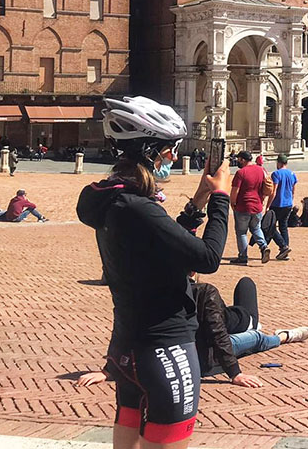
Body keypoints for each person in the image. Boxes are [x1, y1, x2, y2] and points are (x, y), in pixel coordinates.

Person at [77, 94, 231, 449]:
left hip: (129, 346)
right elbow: (206, 258)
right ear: (148, 151)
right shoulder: (139, 208)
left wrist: (199, 201)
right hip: (166, 347)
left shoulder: (116, 200)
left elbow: (164, 243)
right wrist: (223, 197)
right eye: (168, 150)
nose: (174, 158)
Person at [76, 276, 308, 391]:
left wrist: (234, 374)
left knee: (248, 316)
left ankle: (276, 334)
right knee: (255, 335)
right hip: (213, 345)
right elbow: (125, 329)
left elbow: (219, 334)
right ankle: (282, 336)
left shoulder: (202, 292)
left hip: (230, 323)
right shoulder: (149, 295)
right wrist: (108, 370)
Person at [230, 150, 271, 265]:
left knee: (242, 232)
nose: (237, 161)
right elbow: (267, 185)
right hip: (257, 205)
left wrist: (232, 203)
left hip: (243, 206)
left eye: (238, 159)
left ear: (242, 159)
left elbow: (235, 191)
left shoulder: (240, 173)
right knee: (256, 228)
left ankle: (243, 256)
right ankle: (263, 246)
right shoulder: (261, 169)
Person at [265, 156, 297, 260]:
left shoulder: (276, 174)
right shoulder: (292, 174)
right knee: (283, 226)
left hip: (277, 204)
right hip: (288, 203)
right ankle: (285, 249)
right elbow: (293, 191)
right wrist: (291, 201)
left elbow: (273, 191)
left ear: (278, 163)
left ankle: (283, 246)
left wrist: (268, 205)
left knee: (271, 227)